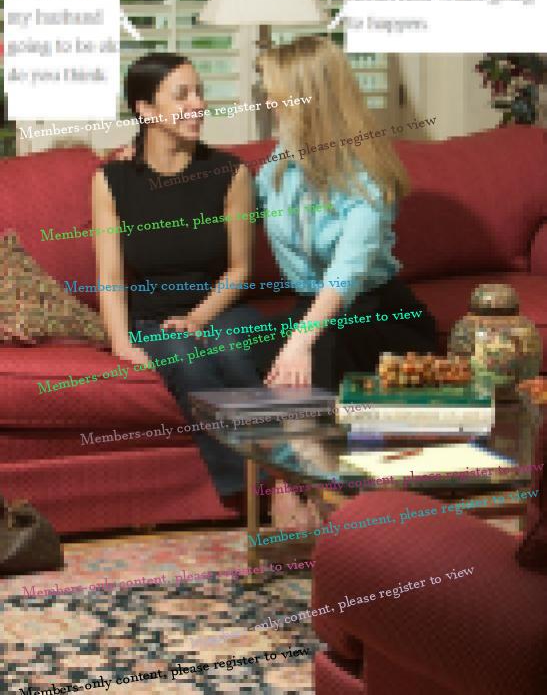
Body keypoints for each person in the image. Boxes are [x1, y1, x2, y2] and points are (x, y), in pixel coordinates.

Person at [92, 53, 262, 502]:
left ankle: (286, 478)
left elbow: (240, 269)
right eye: (182, 94)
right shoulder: (111, 180)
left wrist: (197, 318)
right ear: (146, 109)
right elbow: (109, 275)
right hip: (152, 319)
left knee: (234, 351)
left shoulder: (230, 173)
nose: (198, 104)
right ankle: (250, 493)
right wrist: (121, 343)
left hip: (220, 308)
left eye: (200, 92)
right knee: (187, 359)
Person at [255, 36, 437, 390]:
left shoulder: (366, 176)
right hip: (312, 309)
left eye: (276, 93)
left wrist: (300, 342)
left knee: (321, 351)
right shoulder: (283, 158)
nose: (268, 102)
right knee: (240, 349)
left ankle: (322, 428)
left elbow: (347, 271)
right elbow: (240, 202)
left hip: (378, 312)